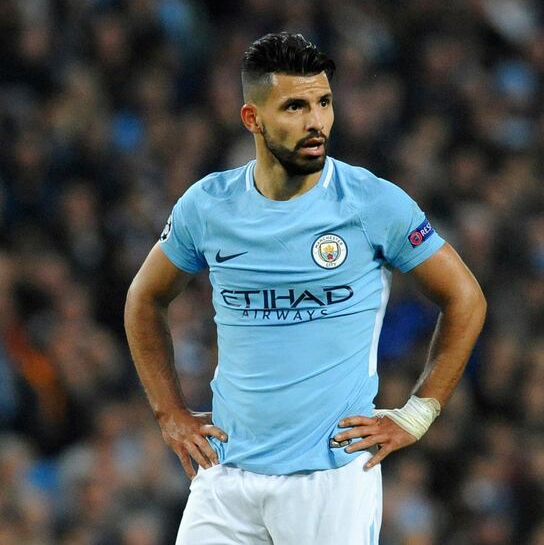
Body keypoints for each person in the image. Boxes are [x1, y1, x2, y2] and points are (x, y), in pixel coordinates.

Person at [124, 32, 486, 545]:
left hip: (331, 482)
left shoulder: (371, 203)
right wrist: (169, 414)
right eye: (295, 106)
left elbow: (465, 298)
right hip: (225, 476)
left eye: (323, 103)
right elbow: (144, 299)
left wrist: (418, 413)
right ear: (252, 119)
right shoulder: (207, 207)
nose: (316, 121)